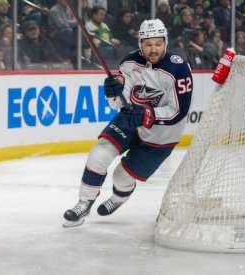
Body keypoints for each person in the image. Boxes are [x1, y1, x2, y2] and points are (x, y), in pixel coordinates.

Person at [63, 19, 193, 228]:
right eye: (148, 44)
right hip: (131, 118)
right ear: (140, 44)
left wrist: (147, 115)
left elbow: (178, 111)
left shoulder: (178, 69)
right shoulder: (129, 63)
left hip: (162, 134)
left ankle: (119, 198)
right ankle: (84, 201)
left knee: (122, 176)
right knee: (100, 152)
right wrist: (112, 92)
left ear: (165, 43)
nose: (153, 49)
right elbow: (119, 103)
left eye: (158, 43)